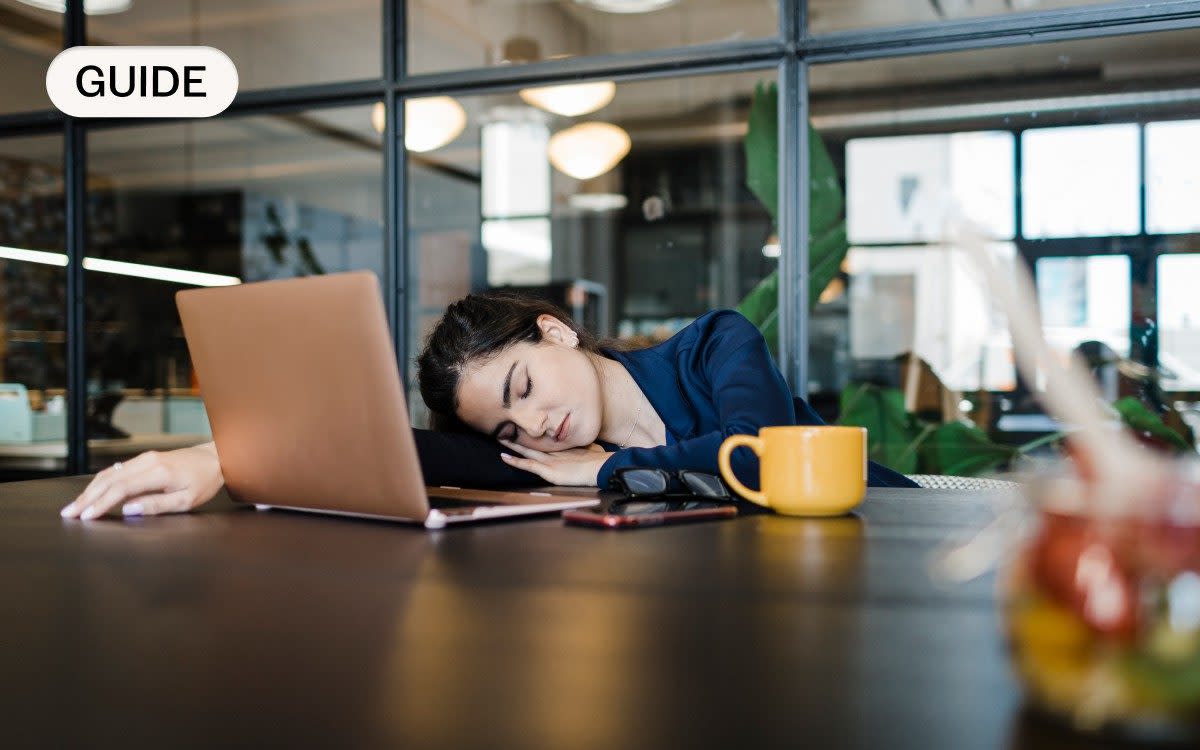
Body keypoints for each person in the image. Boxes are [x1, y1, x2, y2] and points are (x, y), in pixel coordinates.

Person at [60, 291, 914, 520]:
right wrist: (215, 458)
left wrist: (611, 469)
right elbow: (407, 454)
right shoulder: (545, 459)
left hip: (892, 534)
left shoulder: (716, 343)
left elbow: (756, 455)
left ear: (556, 333)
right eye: (507, 427)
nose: (532, 427)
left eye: (524, 388)